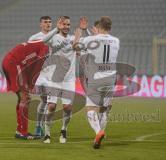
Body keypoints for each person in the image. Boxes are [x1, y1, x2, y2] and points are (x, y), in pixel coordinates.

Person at [2, 19, 63, 140]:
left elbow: (31, 68)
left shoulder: (42, 46)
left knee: (23, 98)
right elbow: (33, 68)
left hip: (12, 62)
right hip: (14, 63)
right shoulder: (44, 48)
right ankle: (22, 132)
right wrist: (57, 29)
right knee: (25, 97)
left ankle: (20, 130)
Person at [43, 16, 87, 144]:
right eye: (64, 24)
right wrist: (56, 29)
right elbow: (44, 40)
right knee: (51, 106)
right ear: (60, 25)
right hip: (54, 78)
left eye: (68, 24)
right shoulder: (55, 37)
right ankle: (47, 133)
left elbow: (86, 44)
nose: (67, 27)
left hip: (69, 79)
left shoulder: (74, 38)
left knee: (67, 107)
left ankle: (64, 130)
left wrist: (84, 30)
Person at [80, 16, 120, 149]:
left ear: (99, 27)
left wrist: (83, 30)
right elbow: (102, 43)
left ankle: (98, 132)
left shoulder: (91, 39)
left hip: (96, 78)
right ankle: (100, 135)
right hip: (111, 78)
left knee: (91, 109)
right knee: (105, 109)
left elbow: (81, 45)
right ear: (110, 27)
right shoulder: (116, 41)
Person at [28, 16, 53, 138]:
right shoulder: (34, 38)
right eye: (45, 22)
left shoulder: (56, 36)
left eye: (49, 22)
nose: (48, 24)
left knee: (47, 101)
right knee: (46, 101)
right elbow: (29, 59)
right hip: (39, 75)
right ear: (40, 24)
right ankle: (40, 127)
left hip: (52, 74)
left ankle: (40, 127)